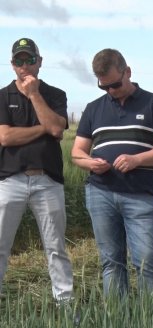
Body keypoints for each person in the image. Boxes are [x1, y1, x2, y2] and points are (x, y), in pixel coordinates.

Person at [71, 48, 153, 296]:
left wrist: (136, 159)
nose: (111, 91)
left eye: (116, 84)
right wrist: (90, 163)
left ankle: (146, 316)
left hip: (140, 196)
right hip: (100, 193)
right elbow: (77, 152)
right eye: (104, 86)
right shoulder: (93, 108)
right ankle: (117, 317)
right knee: (111, 262)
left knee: (146, 262)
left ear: (127, 72)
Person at [0, 38, 74, 303]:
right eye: (19, 61)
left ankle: (65, 304)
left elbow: (56, 129)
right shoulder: (2, 95)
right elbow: (6, 137)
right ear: (12, 65)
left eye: (29, 60)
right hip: (9, 181)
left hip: (47, 181)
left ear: (39, 62)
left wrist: (34, 95)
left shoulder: (55, 94)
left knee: (56, 248)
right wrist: (45, 127)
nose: (24, 66)